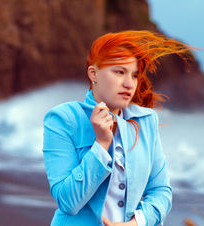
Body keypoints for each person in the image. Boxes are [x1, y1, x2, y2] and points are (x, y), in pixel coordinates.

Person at [43, 30, 192, 225]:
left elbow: (161, 191)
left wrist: (136, 223)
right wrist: (101, 144)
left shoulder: (146, 121)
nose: (129, 84)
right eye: (119, 72)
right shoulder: (62, 120)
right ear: (93, 73)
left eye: (134, 75)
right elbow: (67, 202)